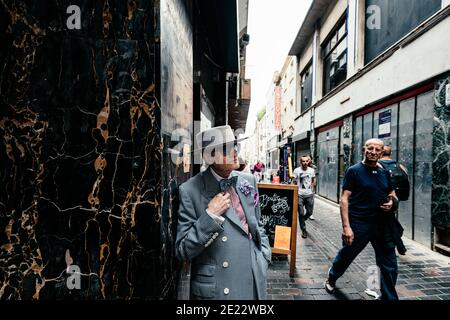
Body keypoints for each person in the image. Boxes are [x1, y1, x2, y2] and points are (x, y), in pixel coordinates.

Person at [175, 125, 271, 300]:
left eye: (235, 145)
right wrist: (210, 217)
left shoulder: (248, 180)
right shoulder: (189, 190)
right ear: (209, 156)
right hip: (219, 286)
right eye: (226, 148)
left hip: (252, 277)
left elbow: (257, 224)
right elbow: (183, 251)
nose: (235, 151)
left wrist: (262, 257)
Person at [325, 138, 400, 300]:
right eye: (370, 148)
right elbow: (344, 199)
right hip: (359, 223)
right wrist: (346, 227)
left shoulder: (384, 172)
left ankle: (388, 297)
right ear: (364, 150)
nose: (373, 152)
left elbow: (392, 194)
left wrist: (392, 203)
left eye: (377, 149)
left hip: (382, 224)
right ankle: (332, 276)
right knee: (347, 254)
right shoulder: (354, 171)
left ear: (382, 153)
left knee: (389, 264)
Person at [293, 155, 316, 238]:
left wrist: (313, 190)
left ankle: (303, 219)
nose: (305, 163)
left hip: (309, 194)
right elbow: (294, 182)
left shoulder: (311, 170)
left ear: (308, 161)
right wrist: (294, 192)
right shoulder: (296, 170)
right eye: (303, 161)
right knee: (301, 213)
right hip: (300, 195)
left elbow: (313, 180)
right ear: (300, 162)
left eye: (307, 161)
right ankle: (304, 230)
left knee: (309, 213)